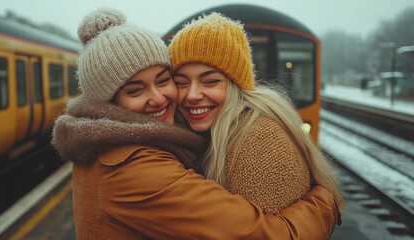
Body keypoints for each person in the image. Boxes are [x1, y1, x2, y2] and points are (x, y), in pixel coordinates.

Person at [52, 8, 340, 239]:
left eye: (164, 81)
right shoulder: (134, 169)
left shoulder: (109, 145)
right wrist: (325, 202)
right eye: (135, 90)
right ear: (109, 102)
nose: (158, 98)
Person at [169, 12, 344, 214]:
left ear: (237, 85)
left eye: (210, 81)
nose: (192, 95)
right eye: (181, 83)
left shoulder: (259, 144)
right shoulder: (218, 133)